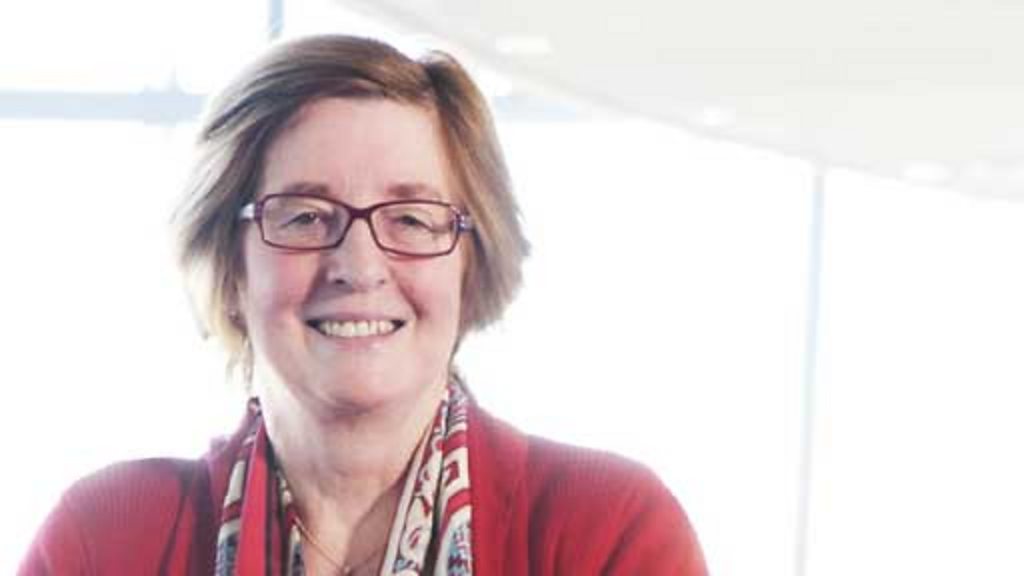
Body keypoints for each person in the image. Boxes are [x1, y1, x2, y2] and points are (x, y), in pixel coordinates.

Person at [19, 35, 706, 575]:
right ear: (229, 267)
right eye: (304, 216)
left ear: (471, 263)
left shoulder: (607, 530)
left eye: (410, 218)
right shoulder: (105, 540)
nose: (359, 266)